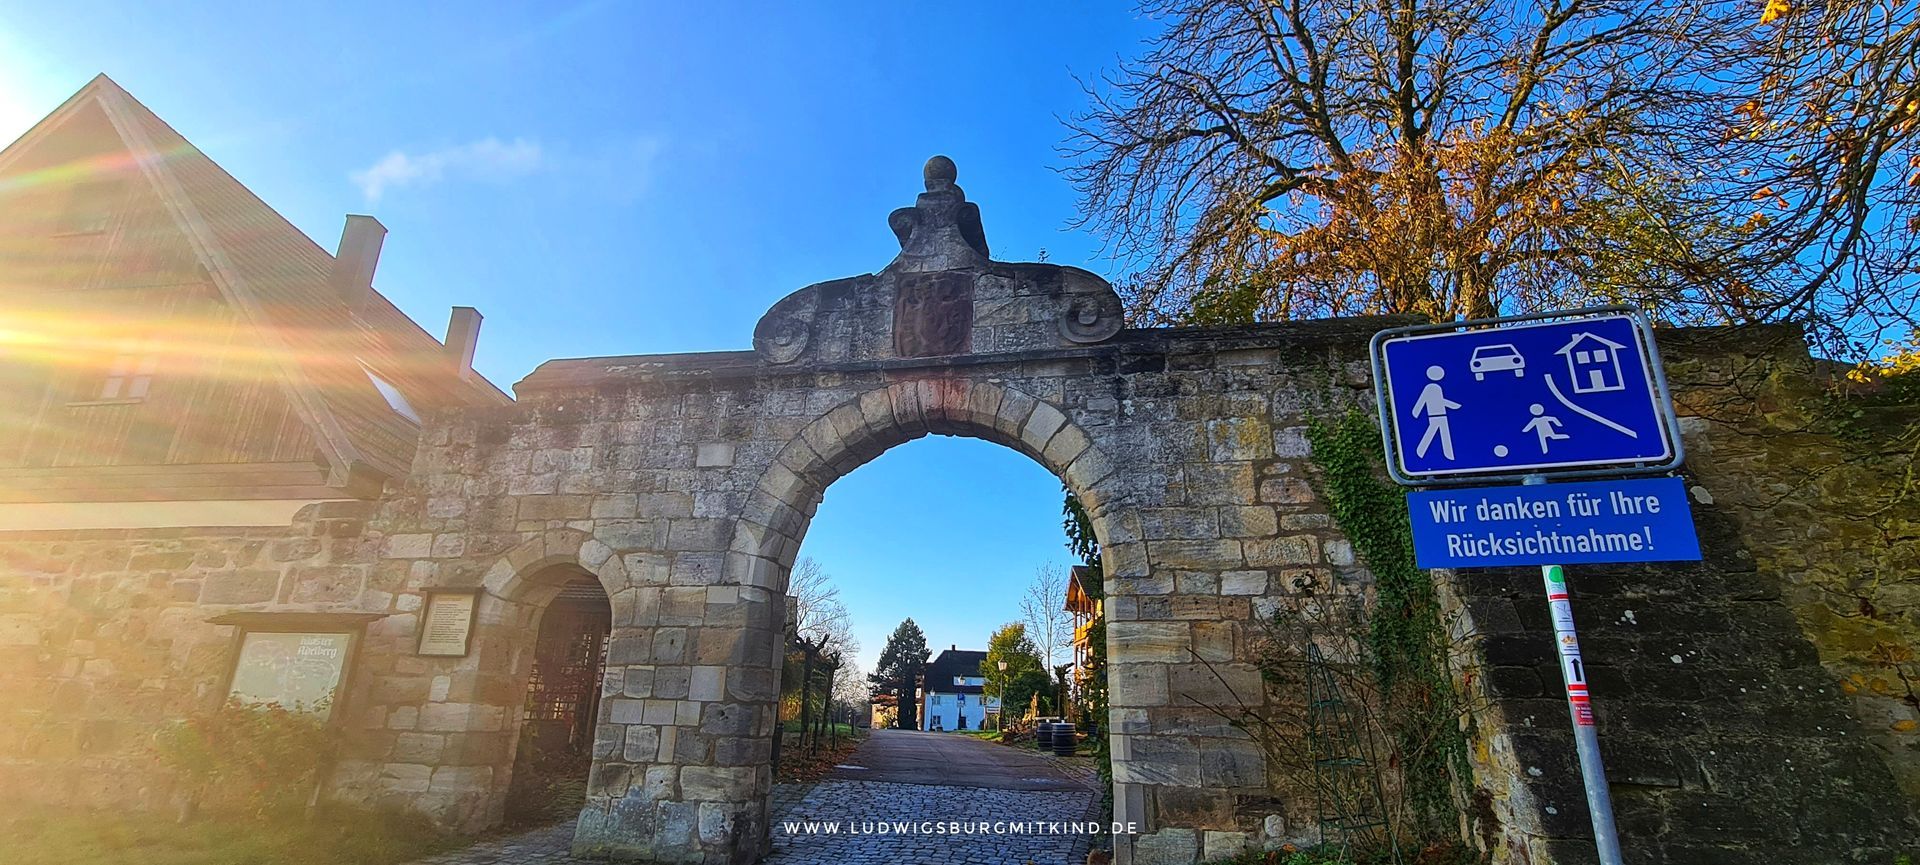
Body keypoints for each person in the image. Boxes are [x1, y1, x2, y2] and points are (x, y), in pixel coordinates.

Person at [1411, 365, 1461, 460]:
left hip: (1441, 414)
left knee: (1442, 432)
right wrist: (1416, 411)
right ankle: (1421, 451)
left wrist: (1452, 405)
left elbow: (1440, 400)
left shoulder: (1437, 387)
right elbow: (1423, 400)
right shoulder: (1431, 387)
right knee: (1434, 431)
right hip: (1435, 415)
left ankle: (1448, 454)